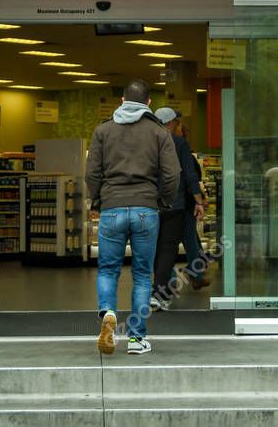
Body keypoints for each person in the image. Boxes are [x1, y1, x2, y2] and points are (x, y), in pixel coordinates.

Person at [86, 79, 180, 355]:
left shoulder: (103, 131)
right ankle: (137, 339)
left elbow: (92, 172)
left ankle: (107, 312)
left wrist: (100, 199)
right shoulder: (158, 132)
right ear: (149, 103)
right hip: (145, 209)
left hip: (112, 208)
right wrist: (162, 201)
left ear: (122, 101)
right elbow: (172, 175)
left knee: (107, 269)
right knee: (141, 275)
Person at [150, 108, 205, 311]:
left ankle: (155, 289)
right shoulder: (179, 143)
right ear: (171, 123)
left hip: (150, 204)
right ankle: (160, 292)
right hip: (175, 203)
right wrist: (198, 200)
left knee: (154, 248)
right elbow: (189, 173)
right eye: (176, 121)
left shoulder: (147, 140)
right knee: (168, 249)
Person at [173, 114, 211, 290]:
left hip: (173, 203)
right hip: (185, 203)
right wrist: (199, 199)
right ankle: (196, 274)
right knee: (191, 241)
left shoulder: (161, 146)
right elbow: (192, 176)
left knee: (169, 243)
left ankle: (171, 277)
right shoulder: (183, 149)